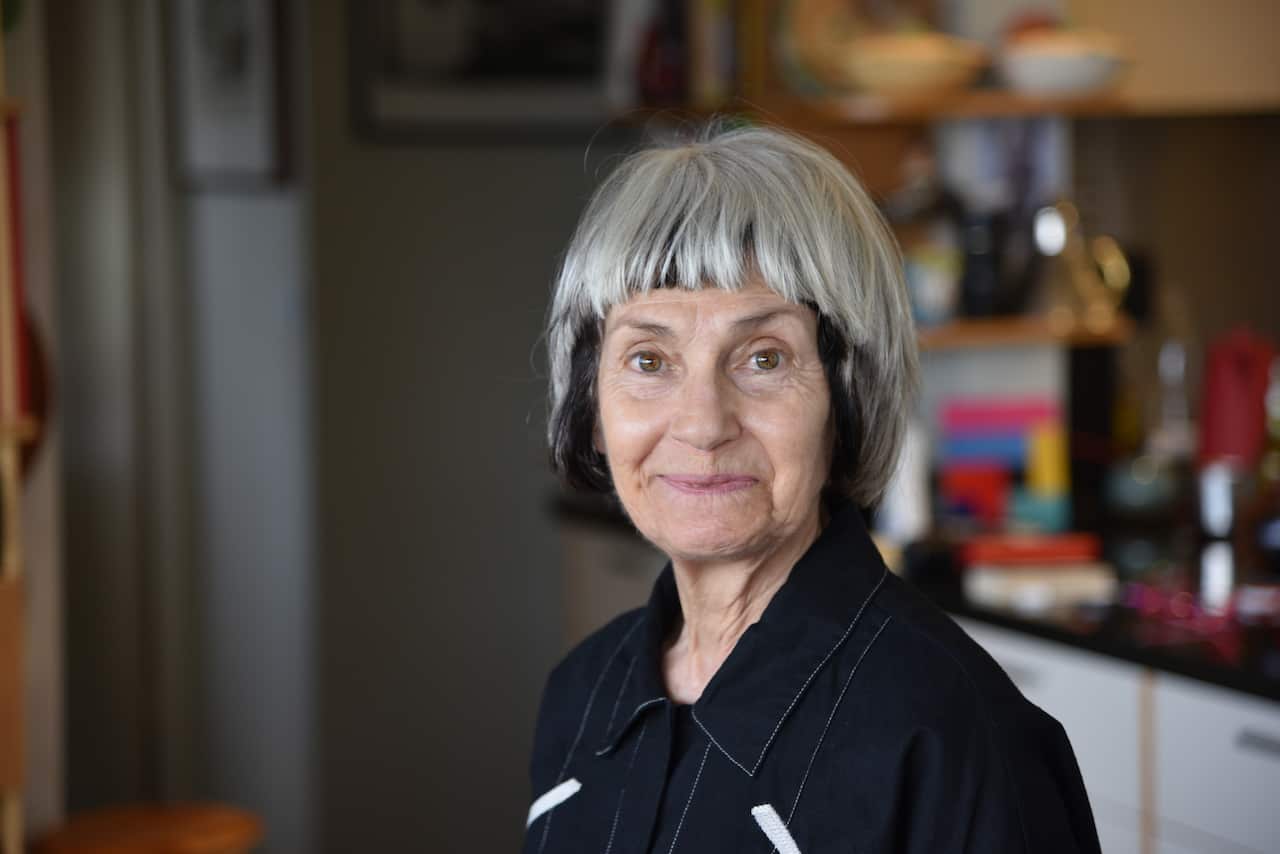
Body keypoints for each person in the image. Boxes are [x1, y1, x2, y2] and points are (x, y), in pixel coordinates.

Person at [524, 123, 1101, 854]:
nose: (703, 424)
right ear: (591, 405)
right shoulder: (581, 696)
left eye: (764, 358)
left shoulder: (959, 736)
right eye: (648, 359)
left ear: (847, 398)